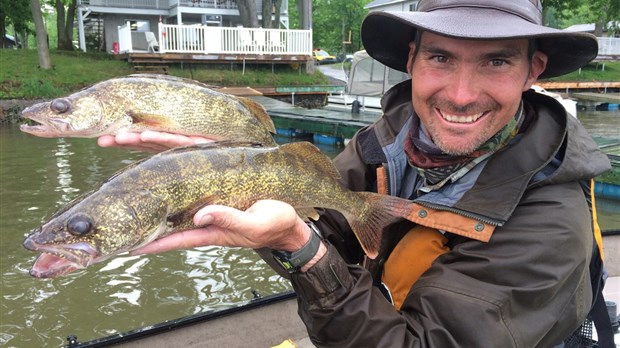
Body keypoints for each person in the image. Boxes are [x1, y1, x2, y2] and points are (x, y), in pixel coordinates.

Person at [99, 0, 613, 346]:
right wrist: (235, 170)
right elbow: (325, 232)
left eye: (496, 62)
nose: (460, 94)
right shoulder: (386, 142)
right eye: (440, 57)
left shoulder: (551, 225)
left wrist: (301, 249)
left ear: (534, 70)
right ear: (412, 59)